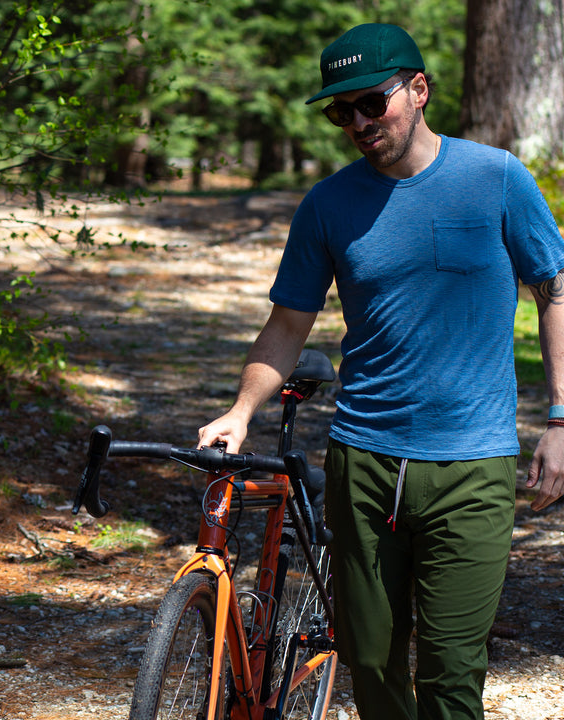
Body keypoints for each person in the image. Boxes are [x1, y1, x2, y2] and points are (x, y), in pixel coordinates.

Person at [197, 23, 564, 720]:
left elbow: (555, 290)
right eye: (343, 112)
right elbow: (286, 324)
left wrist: (561, 419)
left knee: (453, 677)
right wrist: (239, 412)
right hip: (363, 465)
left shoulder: (498, 178)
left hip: (472, 467)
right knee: (369, 664)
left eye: (372, 102)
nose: (360, 123)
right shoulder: (328, 205)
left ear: (419, 90)